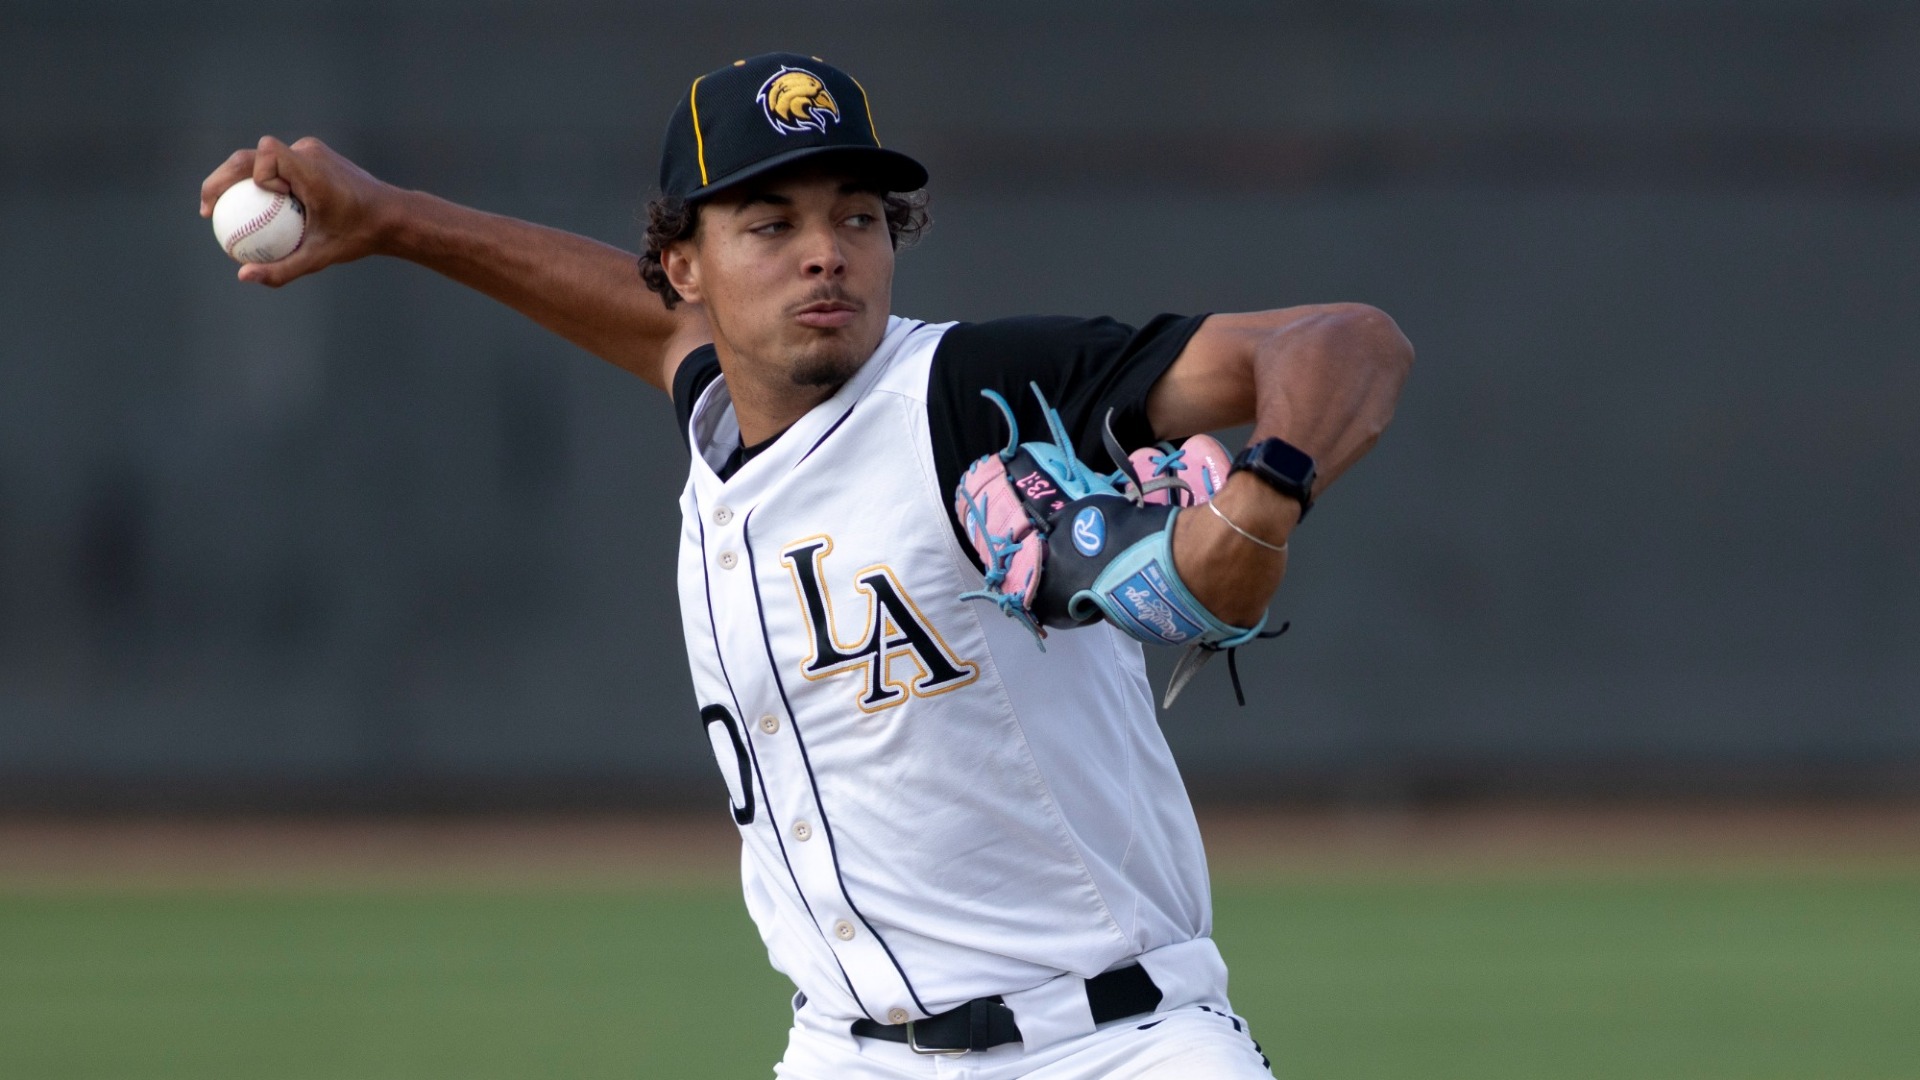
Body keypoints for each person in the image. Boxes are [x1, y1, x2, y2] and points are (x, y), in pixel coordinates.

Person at [201, 52, 1411, 1080]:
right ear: (685, 266)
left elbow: (1341, 341)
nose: (824, 254)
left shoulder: (968, 392)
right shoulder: (722, 415)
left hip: (1112, 1047)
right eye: (771, 226)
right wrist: (390, 221)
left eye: (857, 217)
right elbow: (643, 327)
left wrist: (1268, 494)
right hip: (849, 1051)